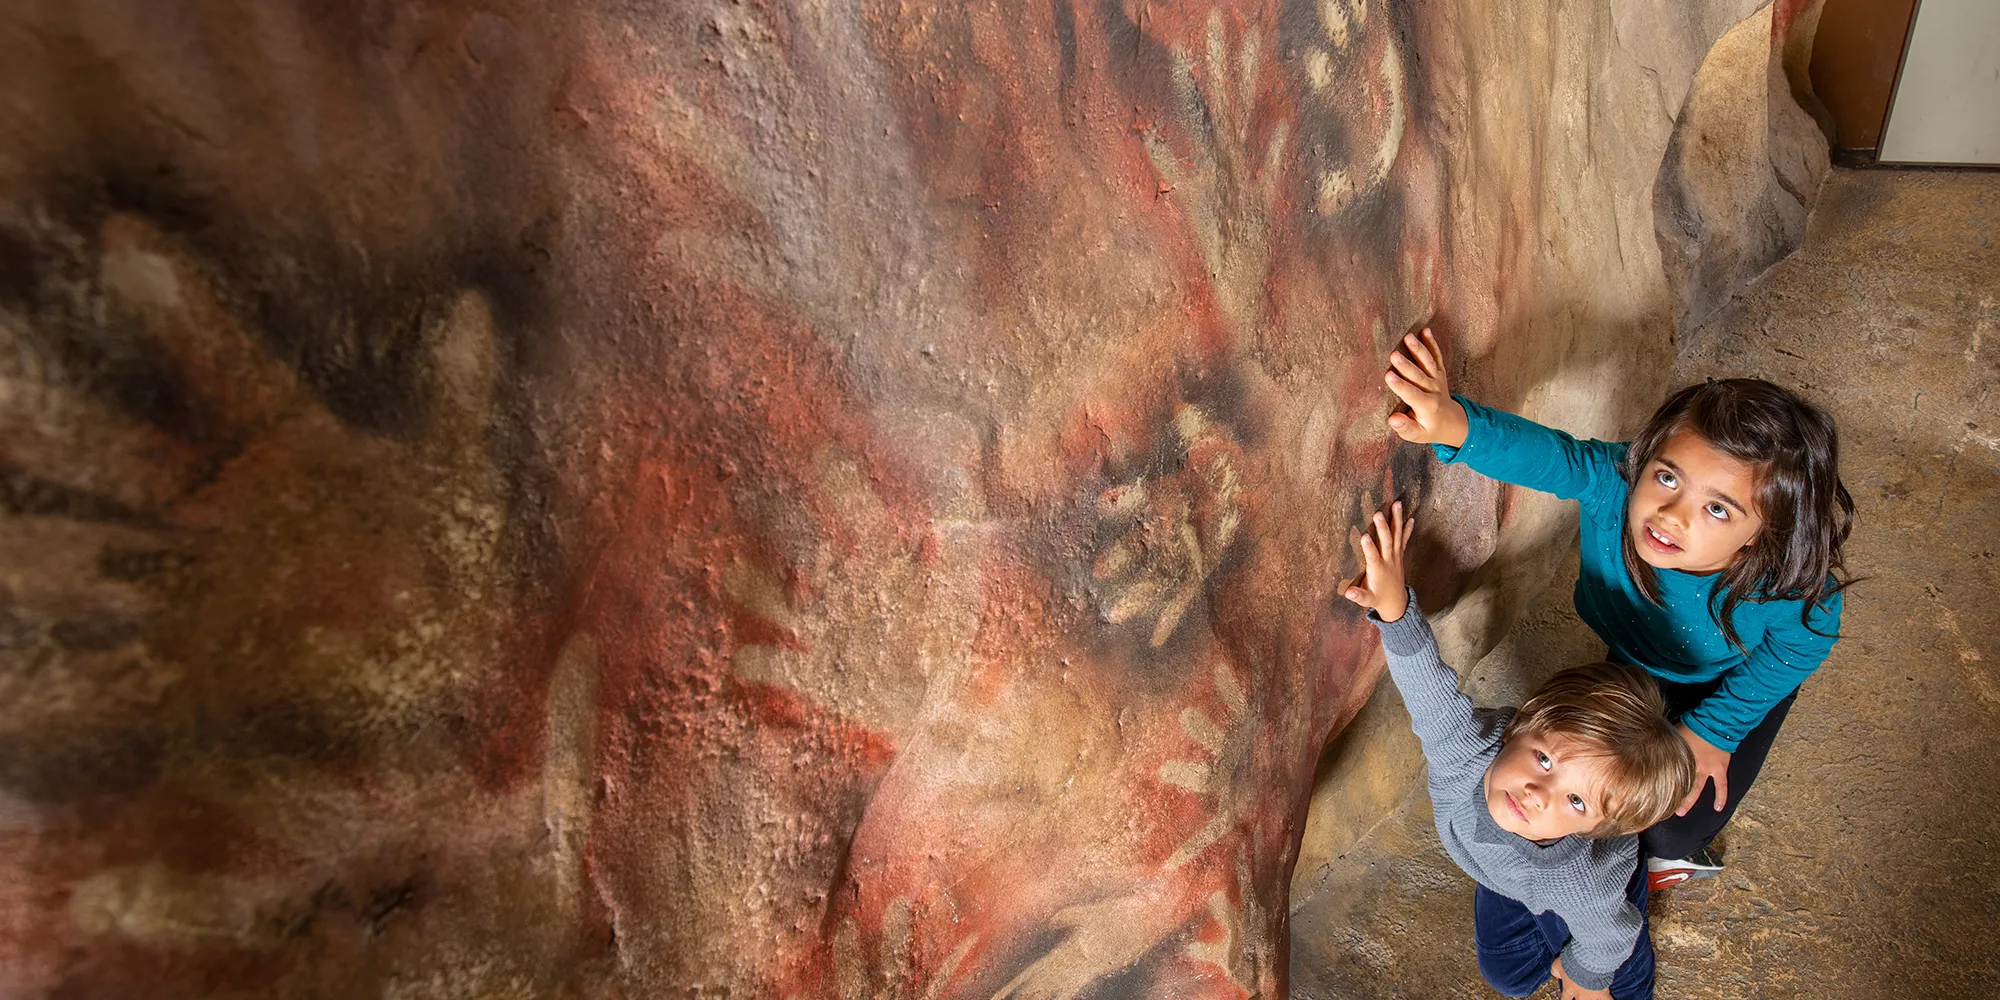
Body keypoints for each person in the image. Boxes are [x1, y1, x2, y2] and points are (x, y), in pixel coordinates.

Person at [1382, 329, 1854, 888]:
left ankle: (1683, 853)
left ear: (1761, 534)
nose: (1672, 515)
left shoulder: (1790, 585)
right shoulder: (1618, 485)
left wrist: (1716, 732)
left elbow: (1804, 643)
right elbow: (1549, 456)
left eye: (1719, 511)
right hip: (1635, 663)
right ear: (1647, 457)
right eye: (1668, 477)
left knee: (1670, 830)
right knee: (1602, 796)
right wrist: (1451, 422)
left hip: (1740, 674)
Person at [1343, 501, 1695, 1000]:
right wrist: (1394, 609)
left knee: (1620, 977)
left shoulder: (1582, 880)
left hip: (1561, 882)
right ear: (1521, 725)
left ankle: (1634, 878)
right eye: (1545, 760)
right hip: (1502, 873)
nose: (1537, 794)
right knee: (1508, 980)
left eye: (1576, 802)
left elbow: (1609, 936)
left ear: (1593, 828)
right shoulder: (1465, 752)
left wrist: (1587, 976)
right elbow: (1427, 686)